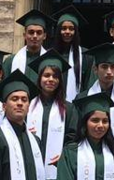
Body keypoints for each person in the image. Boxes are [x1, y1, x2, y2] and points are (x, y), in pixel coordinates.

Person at [0, 71, 46, 180]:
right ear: (4, 106)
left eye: (24, 100)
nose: (20, 103)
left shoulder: (35, 141)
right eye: (14, 99)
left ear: (28, 107)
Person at [56, 94, 114, 180]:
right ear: (85, 123)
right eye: (95, 120)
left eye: (105, 121)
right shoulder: (71, 152)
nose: (101, 125)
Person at [29, 51, 79, 179]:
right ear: (39, 78)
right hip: (29, 163)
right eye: (46, 75)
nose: (51, 79)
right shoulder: (28, 105)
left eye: (55, 76)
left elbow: (73, 137)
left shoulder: (69, 108)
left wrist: (64, 155)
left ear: (60, 80)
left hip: (58, 166)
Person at [52, 6, 90, 101]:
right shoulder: (50, 55)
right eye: (63, 28)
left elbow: (88, 85)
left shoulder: (86, 56)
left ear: (76, 32)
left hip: (76, 105)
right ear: (58, 31)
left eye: (71, 28)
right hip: (53, 104)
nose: (67, 31)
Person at [6, 11, 53, 75]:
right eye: (31, 32)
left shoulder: (50, 62)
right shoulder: (10, 61)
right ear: (24, 35)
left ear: (44, 36)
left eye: (39, 33)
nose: (35, 36)